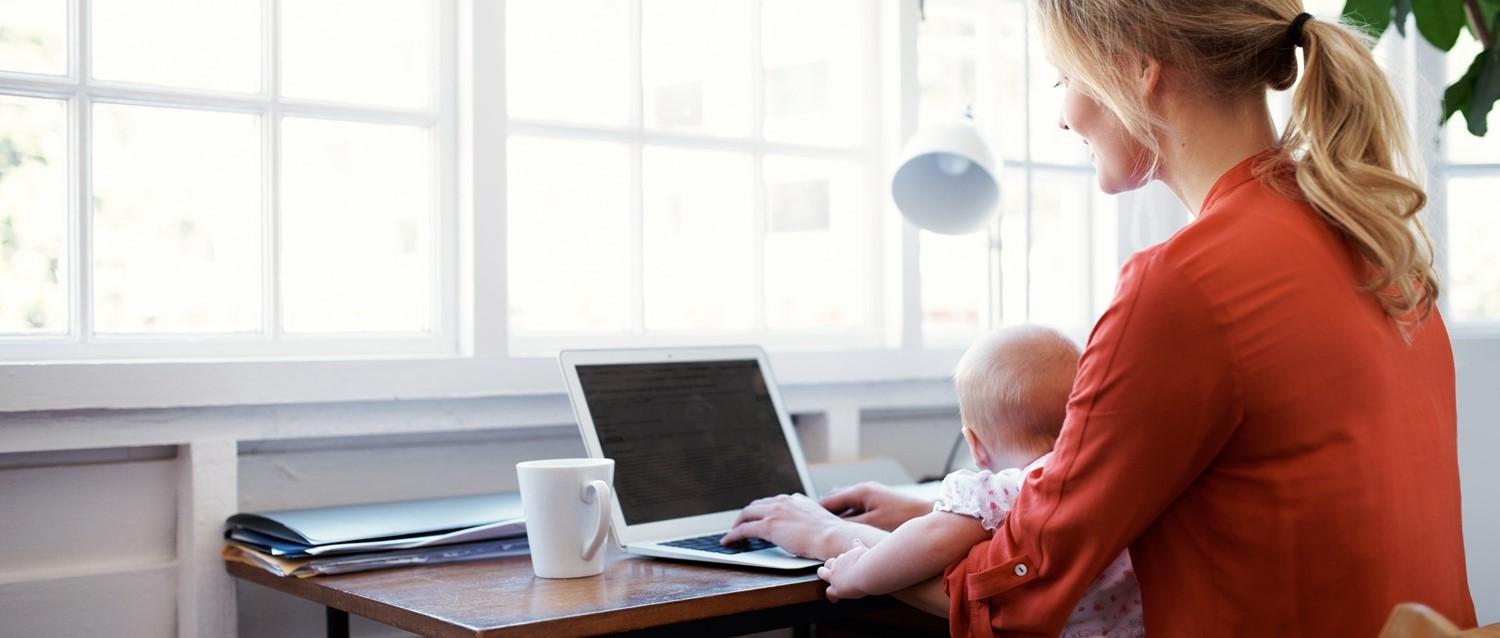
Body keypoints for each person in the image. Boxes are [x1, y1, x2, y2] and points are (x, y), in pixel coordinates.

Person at [723, 1, 1477, 635]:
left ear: (1138, 70)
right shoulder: (1375, 246)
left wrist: (832, 539)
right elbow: (1246, 486)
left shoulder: (1186, 284)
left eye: (1064, 79)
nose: (1060, 116)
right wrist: (930, 506)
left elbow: (1018, 596)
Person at [817, 326, 1144, 638]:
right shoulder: (1113, 481)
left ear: (974, 445)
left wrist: (858, 574)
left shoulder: (1014, 487)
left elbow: (932, 539)